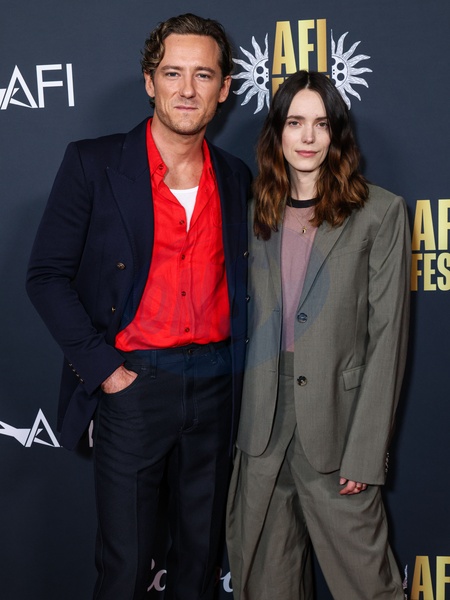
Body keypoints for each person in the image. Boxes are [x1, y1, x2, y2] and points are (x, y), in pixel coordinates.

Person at [26, 13, 251, 600]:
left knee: (200, 565)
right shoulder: (93, 163)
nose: (187, 89)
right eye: (172, 73)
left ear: (225, 88)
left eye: (203, 75)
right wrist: (107, 372)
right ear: (149, 81)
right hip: (132, 385)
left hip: (217, 387)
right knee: (125, 570)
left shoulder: (236, 177)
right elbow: (46, 277)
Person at [226, 70, 410, 600]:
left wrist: (366, 452)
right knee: (266, 585)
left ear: (337, 134)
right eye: (295, 122)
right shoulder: (250, 212)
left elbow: (388, 340)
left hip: (339, 426)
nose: (307, 137)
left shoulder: (380, 213)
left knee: (368, 587)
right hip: (260, 430)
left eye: (321, 124)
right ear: (277, 132)